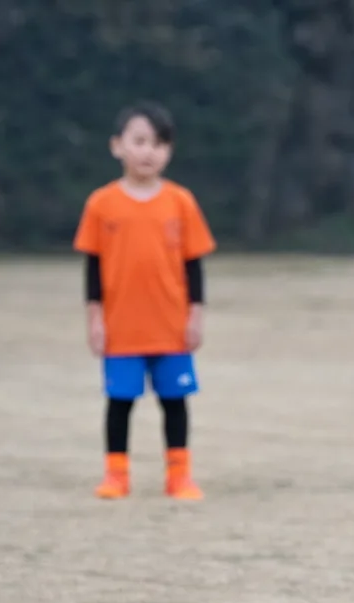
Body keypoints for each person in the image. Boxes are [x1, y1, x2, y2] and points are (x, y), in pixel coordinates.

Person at [75, 101, 215, 500]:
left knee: (175, 401)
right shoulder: (101, 204)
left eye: (159, 143)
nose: (148, 152)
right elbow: (93, 269)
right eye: (139, 141)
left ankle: (179, 475)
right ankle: (116, 475)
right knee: (120, 402)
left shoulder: (180, 202)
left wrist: (195, 316)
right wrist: (95, 319)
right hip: (122, 327)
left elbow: (194, 266)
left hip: (170, 325)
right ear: (117, 146)